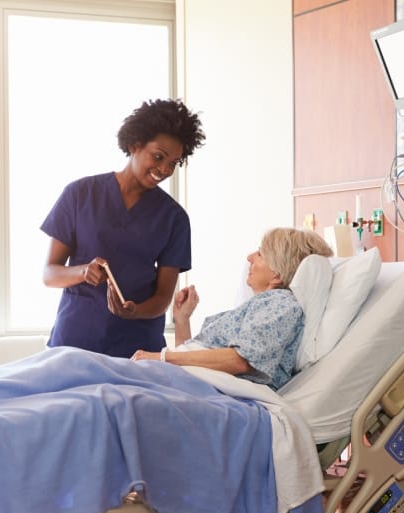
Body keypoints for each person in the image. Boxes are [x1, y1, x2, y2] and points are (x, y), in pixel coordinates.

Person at [40, 98, 206, 358]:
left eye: (173, 163)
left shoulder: (174, 218)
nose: (164, 169)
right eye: (159, 156)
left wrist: (135, 311)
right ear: (134, 144)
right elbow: (50, 274)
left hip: (137, 350)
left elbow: (163, 298)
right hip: (75, 342)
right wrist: (84, 271)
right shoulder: (80, 194)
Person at [132, 227, 333, 390]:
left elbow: (241, 361)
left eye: (261, 253)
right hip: (191, 382)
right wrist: (182, 319)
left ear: (277, 275)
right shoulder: (261, 307)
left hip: (208, 392)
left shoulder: (281, 304)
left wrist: (161, 357)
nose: (250, 257)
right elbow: (197, 359)